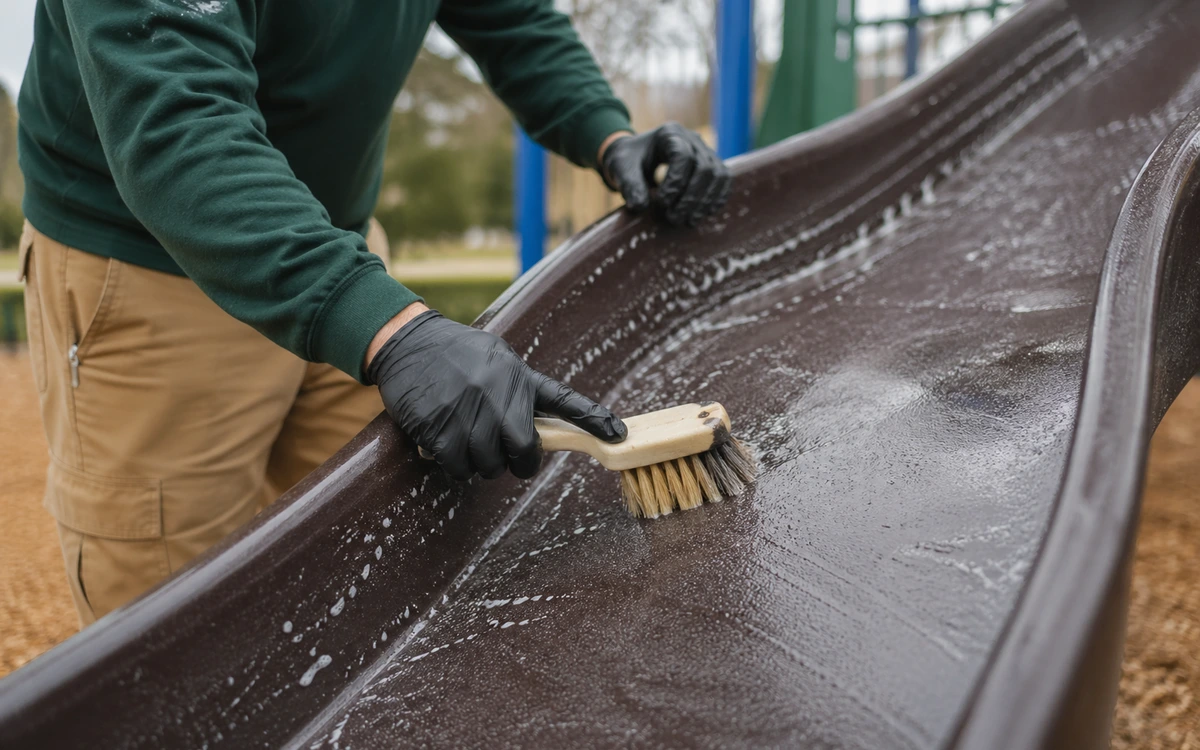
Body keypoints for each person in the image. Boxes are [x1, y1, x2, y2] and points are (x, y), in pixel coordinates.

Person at [16, 0, 731, 626]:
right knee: (184, 634)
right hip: (152, 274)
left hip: (339, 250)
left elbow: (511, 18)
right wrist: (388, 331)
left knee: (388, 566)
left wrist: (608, 136)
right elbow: (175, 122)